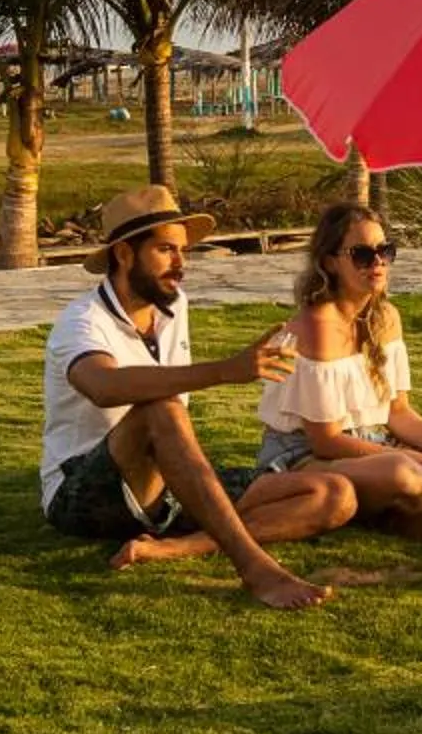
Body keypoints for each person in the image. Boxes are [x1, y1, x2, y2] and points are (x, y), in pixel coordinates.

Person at [40, 186, 352, 610]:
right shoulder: (81, 322)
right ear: (125, 254)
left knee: (334, 494)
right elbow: (102, 386)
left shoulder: (173, 306)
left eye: (183, 251)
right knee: (162, 408)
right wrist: (226, 371)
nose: (180, 264)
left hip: (166, 484)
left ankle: (177, 547)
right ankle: (256, 568)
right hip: (83, 492)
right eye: (166, 250)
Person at [253, 204, 422, 542]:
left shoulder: (386, 317)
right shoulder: (319, 326)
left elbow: (398, 412)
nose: (377, 262)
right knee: (408, 474)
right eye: (362, 255)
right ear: (330, 263)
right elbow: (326, 441)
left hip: (373, 443)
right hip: (306, 456)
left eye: (385, 251)